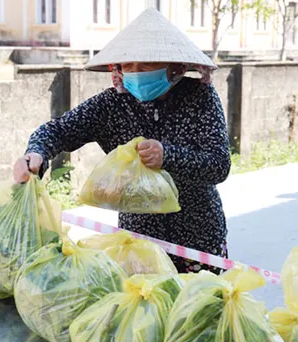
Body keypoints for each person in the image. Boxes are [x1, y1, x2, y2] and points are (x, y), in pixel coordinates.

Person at [13, 8, 231, 274]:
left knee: (197, 313)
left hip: (197, 237)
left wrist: (168, 156)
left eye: (147, 65)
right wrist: (35, 154)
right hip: (138, 240)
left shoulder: (200, 98)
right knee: (144, 310)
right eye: (128, 66)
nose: (136, 73)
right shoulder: (111, 104)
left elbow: (219, 164)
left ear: (175, 67)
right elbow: (58, 130)